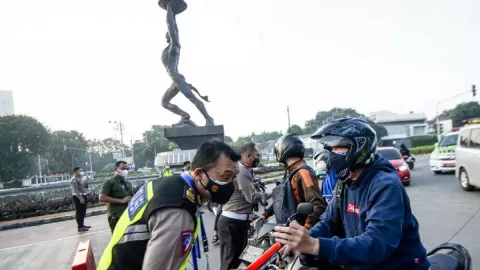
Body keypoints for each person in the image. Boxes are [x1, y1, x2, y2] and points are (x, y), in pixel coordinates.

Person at [273, 118, 430, 270]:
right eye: (329, 149)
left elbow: (377, 244)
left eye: (336, 148)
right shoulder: (346, 181)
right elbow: (328, 222)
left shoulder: (385, 186)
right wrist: (301, 241)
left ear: (358, 147)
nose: (330, 154)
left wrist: (315, 245)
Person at [97, 140, 240, 270]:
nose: (230, 185)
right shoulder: (178, 210)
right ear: (199, 174)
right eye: (225, 177)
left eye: (233, 178)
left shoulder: (165, 185)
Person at [161, 0, 214, 126]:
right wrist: (172, 12)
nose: (166, 36)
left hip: (177, 78)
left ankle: (209, 119)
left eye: (168, 34)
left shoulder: (173, 48)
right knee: (164, 102)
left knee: (192, 98)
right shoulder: (169, 49)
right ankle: (184, 116)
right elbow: (172, 27)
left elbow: (171, 26)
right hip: (174, 80)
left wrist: (169, 8)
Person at [259, 134, 326, 229]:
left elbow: (317, 204)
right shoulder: (291, 173)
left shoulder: (303, 172)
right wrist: (265, 214)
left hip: (300, 231)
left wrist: (306, 227)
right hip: (290, 228)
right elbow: (282, 201)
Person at [217, 142, 265, 270]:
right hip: (233, 223)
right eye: (256, 155)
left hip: (236, 222)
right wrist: (267, 194)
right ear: (248, 155)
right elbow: (251, 197)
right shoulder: (241, 170)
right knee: (230, 262)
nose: (258, 158)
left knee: (237, 260)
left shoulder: (242, 169)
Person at [99, 161, 134, 233]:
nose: (125, 171)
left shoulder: (128, 183)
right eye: (123, 168)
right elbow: (102, 198)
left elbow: (132, 196)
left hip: (128, 215)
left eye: (127, 169)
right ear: (116, 168)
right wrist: (121, 201)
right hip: (116, 216)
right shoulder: (109, 182)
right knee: (118, 239)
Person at [70, 167, 91, 232]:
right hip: (78, 197)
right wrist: (81, 198)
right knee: (79, 212)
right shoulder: (74, 180)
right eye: (80, 171)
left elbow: (83, 186)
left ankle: (82, 224)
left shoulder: (80, 178)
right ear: (75, 172)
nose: (81, 172)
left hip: (83, 195)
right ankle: (80, 227)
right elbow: (75, 190)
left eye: (81, 170)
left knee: (83, 212)